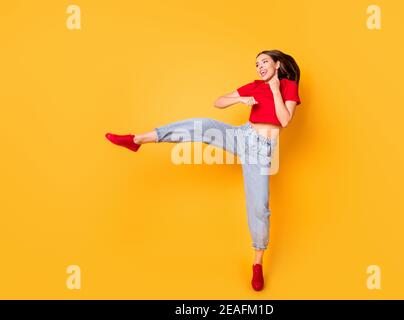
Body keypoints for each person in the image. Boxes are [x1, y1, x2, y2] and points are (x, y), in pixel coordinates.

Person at [105, 49, 301, 291]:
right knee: (203, 125)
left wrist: (273, 90)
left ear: (277, 64)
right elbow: (217, 102)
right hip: (243, 135)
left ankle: (257, 263)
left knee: (259, 206)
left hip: (261, 151)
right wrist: (240, 99)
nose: (260, 66)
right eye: (257, 64)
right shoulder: (254, 86)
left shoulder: (288, 86)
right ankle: (136, 140)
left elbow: (284, 120)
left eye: (264, 62)